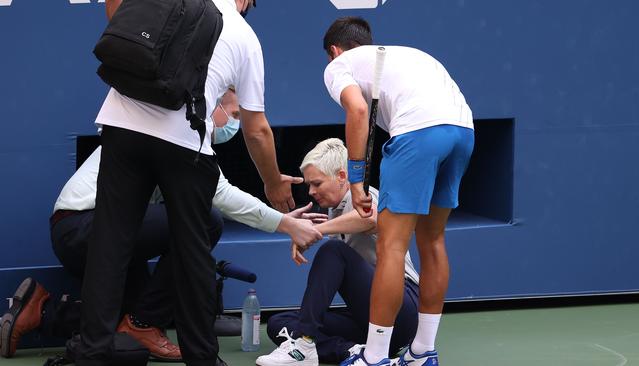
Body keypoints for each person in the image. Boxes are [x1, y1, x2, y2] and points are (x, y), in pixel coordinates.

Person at [0, 104, 323, 361]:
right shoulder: (182, 135)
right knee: (205, 219)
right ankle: (143, 325)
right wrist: (287, 224)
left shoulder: (180, 132)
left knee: (124, 318)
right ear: (213, 105)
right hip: (83, 226)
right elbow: (221, 196)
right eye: (235, 115)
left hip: (94, 232)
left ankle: (40, 312)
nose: (233, 125)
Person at [79, 0, 295, 364]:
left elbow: (118, 17)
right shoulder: (244, 35)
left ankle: (92, 354)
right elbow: (256, 130)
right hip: (183, 143)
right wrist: (273, 185)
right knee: (193, 255)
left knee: (108, 246)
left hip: (121, 127)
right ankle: (202, 359)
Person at [321, 17, 474, 366]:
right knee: (432, 240)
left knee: (392, 245)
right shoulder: (407, 56)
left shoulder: (338, 66)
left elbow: (357, 110)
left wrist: (357, 179)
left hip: (418, 133)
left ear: (334, 51)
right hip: (464, 131)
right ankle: (422, 352)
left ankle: (373, 357)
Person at [255, 138, 420, 366]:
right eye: (309, 186)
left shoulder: (361, 194)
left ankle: (304, 345)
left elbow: (370, 217)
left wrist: (314, 231)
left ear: (342, 176)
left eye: (317, 183)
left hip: (403, 309)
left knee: (333, 251)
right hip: (369, 320)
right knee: (280, 323)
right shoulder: (336, 210)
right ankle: (350, 352)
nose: (311, 191)